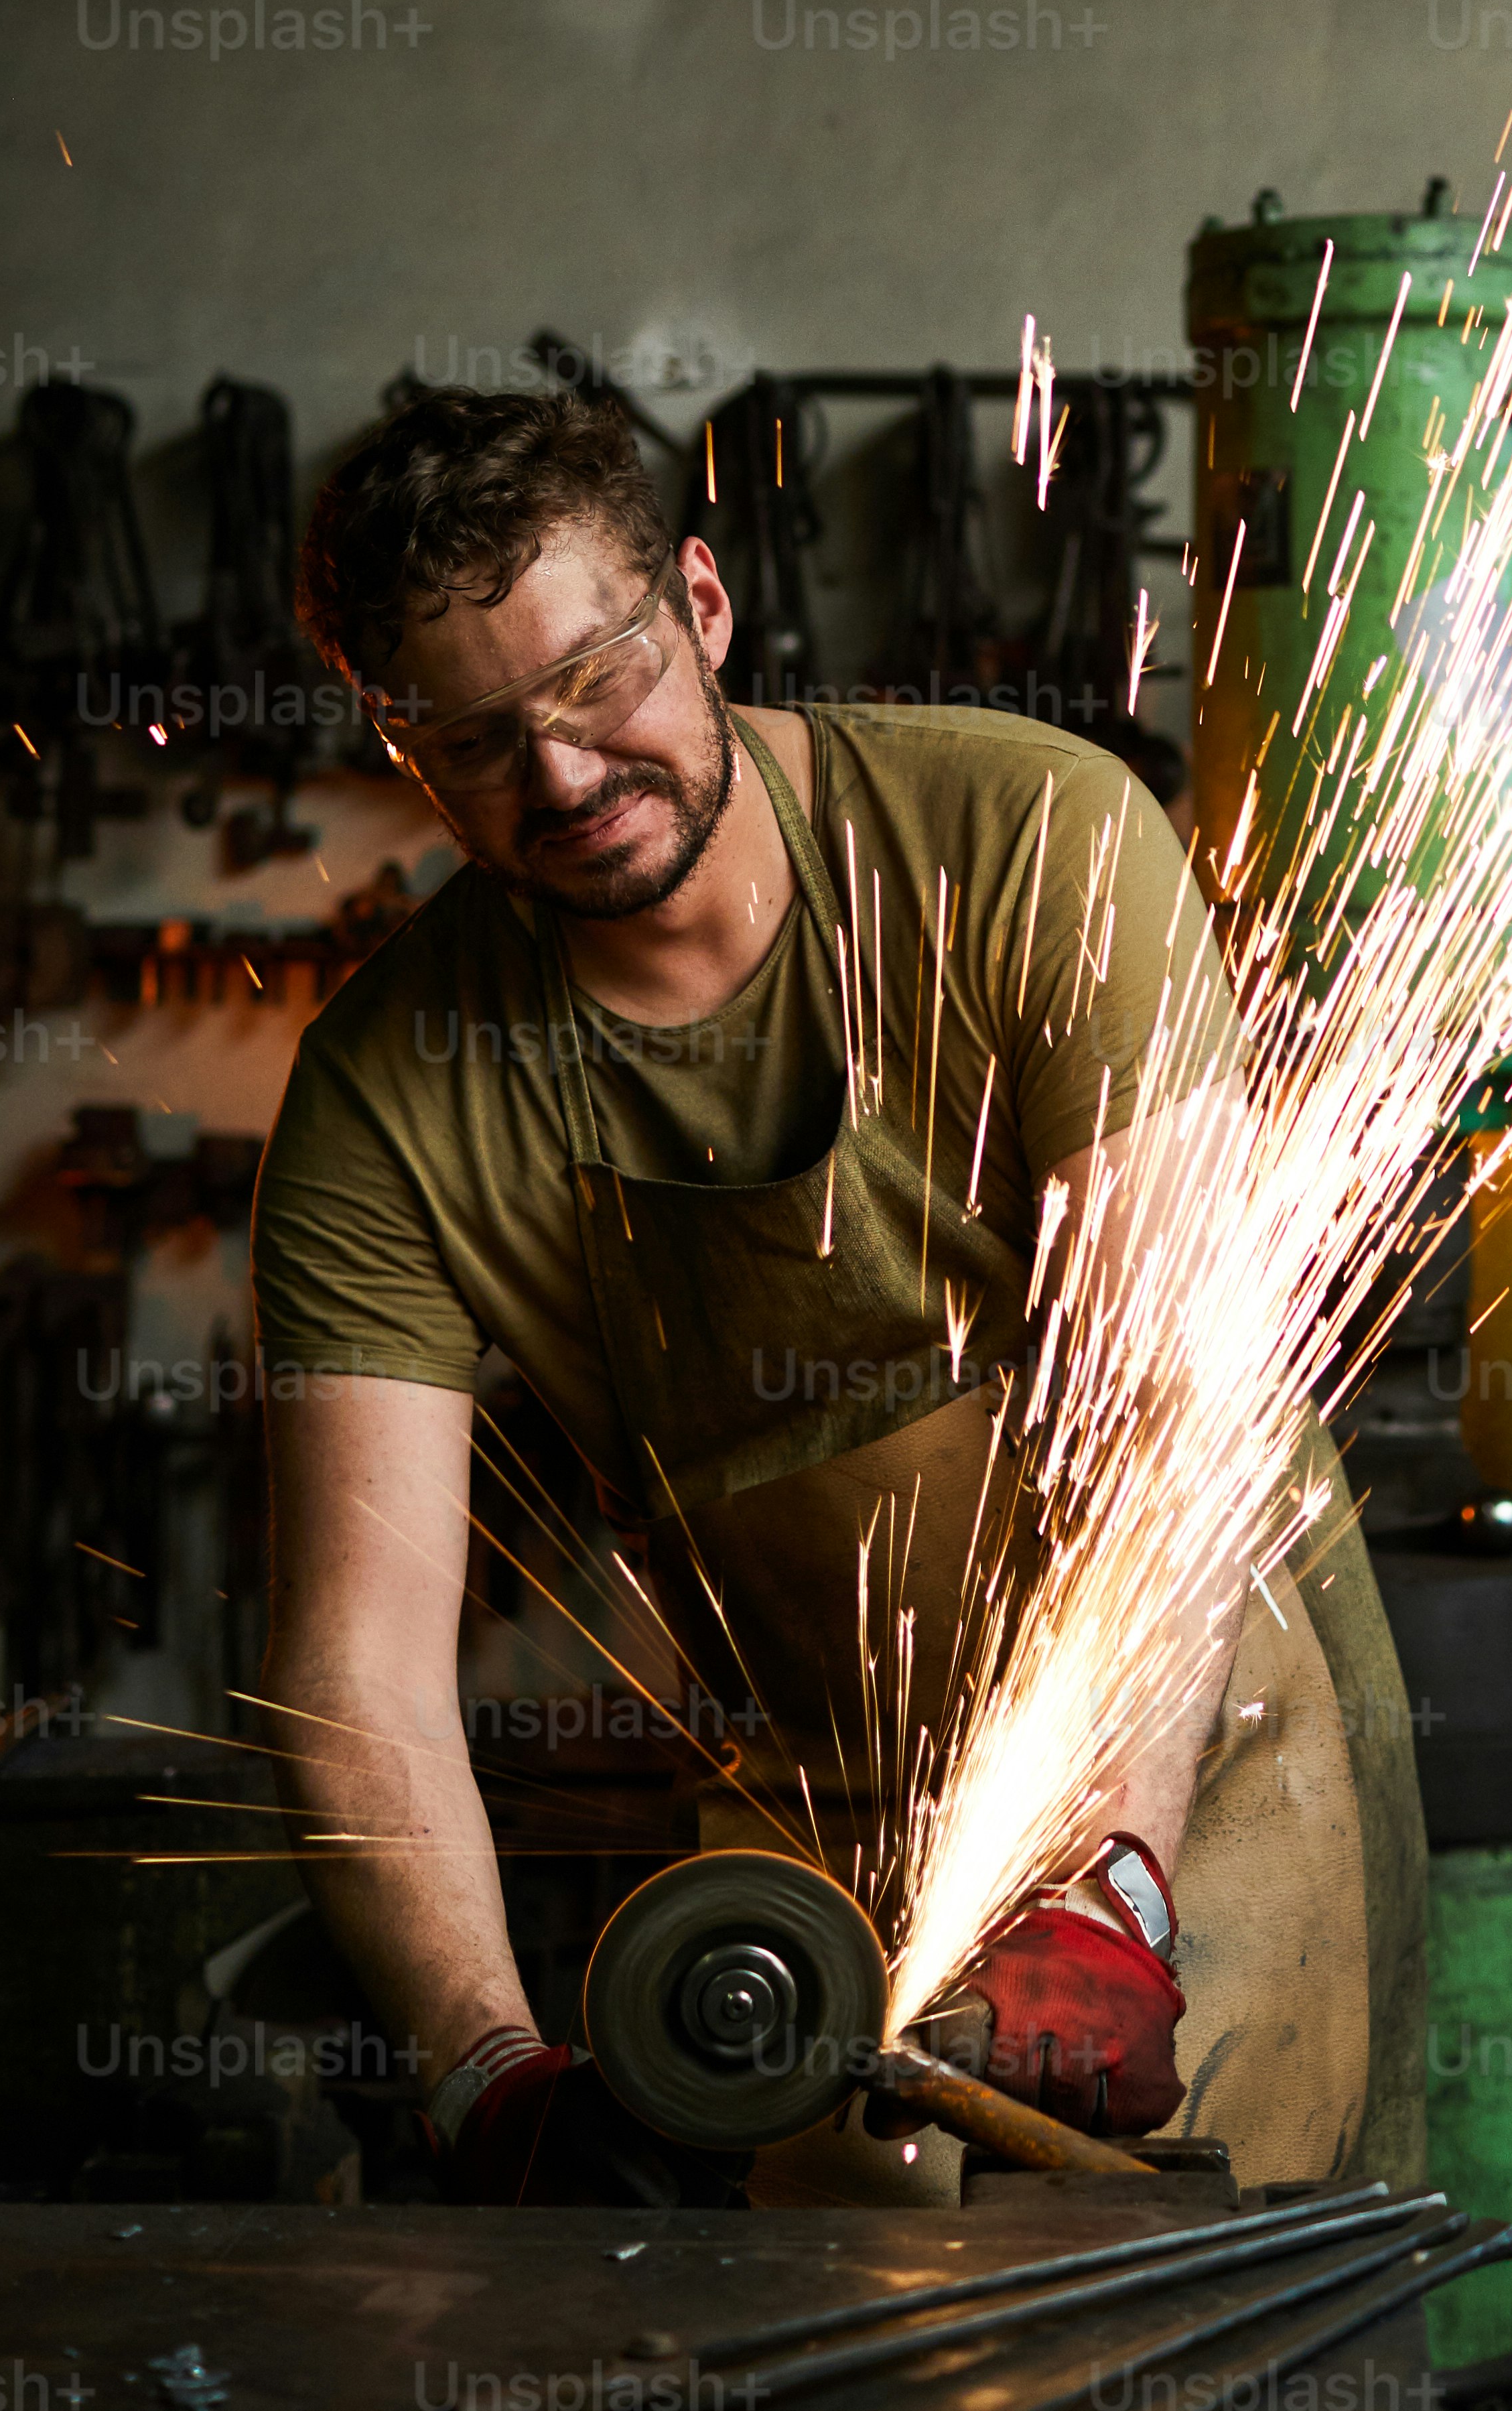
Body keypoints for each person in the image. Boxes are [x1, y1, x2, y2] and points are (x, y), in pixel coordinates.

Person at [251, 381, 1422, 2207]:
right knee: (842, 2361)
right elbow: (359, 1665)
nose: (562, 778)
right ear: (402, 753)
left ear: (703, 608)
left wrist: (1110, 1877)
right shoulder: (383, 1095)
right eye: (480, 743)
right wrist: (484, 2066)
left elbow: (1158, 1430)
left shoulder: (1034, 837)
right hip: (819, 1807)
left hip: (1196, 1746)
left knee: (1188, 2355)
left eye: (596, 685)